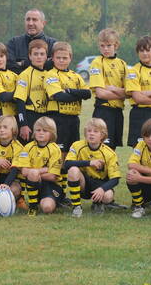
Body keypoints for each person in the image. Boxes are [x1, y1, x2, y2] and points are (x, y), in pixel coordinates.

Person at [44, 41, 91, 196]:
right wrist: (76, 94)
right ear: (53, 58)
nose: (62, 60)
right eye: (58, 58)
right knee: (60, 155)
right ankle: (59, 192)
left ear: (70, 58)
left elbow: (88, 94)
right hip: (58, 119)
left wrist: (70, 90)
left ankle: (65, 192)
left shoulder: (76, 76)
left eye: (65, 57)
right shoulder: (50, 75)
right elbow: (59, 97)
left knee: (71, 154)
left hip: (73, 120)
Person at [64, 118, 121, 218]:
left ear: (102, 135)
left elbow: (115, 179)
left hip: (100, 184)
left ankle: (98, 203)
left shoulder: (110, 153)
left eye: (95, 131)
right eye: (89, 131)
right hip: (83, 184)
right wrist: (90, 163)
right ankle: (76, 207)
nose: (91, 134)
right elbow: (67, 164)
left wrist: (102, 189)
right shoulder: (77, 145)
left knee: (108, 196)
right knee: (73, 170)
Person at [11, 117, 63, 216]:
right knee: (33, 173)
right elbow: (24, 172)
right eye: (38, 130)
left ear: (52, 133)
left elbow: (53, 176)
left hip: (51, 185)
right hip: (33, 183)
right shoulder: (28, 147)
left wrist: (35, 174)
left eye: (45, 130)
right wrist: (44, 169)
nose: (41, 133)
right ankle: (33, 207)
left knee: (47, 208)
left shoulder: (55, 149)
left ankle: (54, 201)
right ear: (34, 132)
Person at [88, 28, 127, 150]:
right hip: (103, 110)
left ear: (116, 45)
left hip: (118, 112)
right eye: (102, 46)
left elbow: (130, 92)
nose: (105, 49)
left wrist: (112, 88)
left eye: (109, 45)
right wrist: (121, 93)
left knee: (112, 148)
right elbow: (100, 94)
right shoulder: (97, 62)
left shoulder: (122, 64)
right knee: (102, 147)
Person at [13, 39, 49, 143]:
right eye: (35, 54)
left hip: (46, 117)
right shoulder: (25, 75)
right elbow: (20, 102)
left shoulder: (50, 74)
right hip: (30, 116)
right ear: (30, 56)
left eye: (42, 54)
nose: (39, 57)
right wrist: (23, 124)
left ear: (46, 56)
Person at [6, 9, 56, 74]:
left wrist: (23, 63)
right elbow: (9, 66)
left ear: (43, 23)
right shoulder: (13, 43)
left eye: (34, 20)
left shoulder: (53, 44)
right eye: (28, 19)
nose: (30, 23)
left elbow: (55, 66)